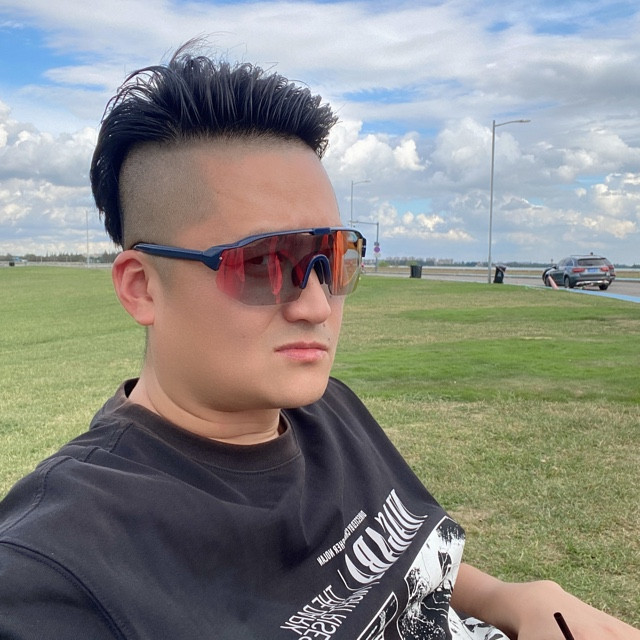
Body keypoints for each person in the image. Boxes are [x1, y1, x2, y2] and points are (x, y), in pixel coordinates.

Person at [0, 42, 637, 640]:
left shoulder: (326, 408)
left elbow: (414, 564)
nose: (315, 305)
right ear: (142, 287)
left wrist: (512, 598)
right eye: (261, 262)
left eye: (331, 256)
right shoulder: (55, 570)